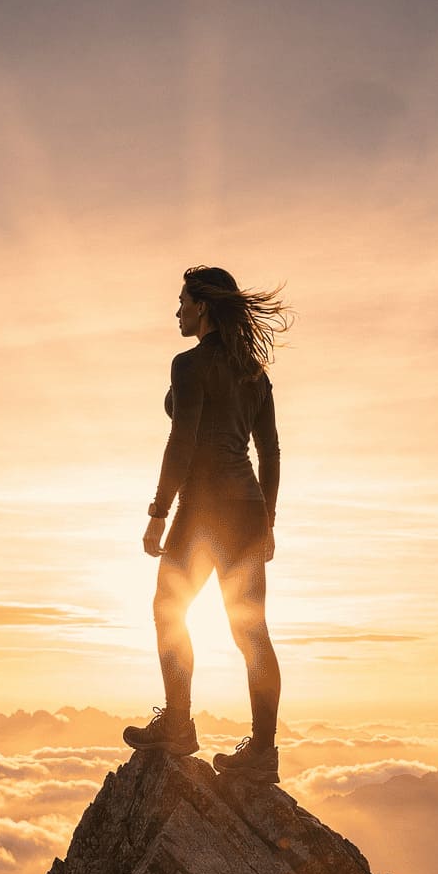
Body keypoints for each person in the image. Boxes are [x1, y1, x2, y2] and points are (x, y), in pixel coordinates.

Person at [123, 265, 291, 783]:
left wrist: (158, 512)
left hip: (201, 511)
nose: (177, 311)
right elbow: (270, 453)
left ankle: (178, 724)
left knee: (168, 609)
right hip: (247, 512)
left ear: (204, 308)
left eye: (183, 302)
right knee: (252, 631)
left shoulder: (189, 365)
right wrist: (268, 522)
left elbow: (183, 441)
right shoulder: (255, 374)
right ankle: (263, 752)